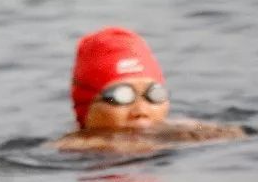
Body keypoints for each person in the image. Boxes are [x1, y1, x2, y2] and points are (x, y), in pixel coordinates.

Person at [55, 27, 246, 152]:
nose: (141, 111)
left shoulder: (183, 129)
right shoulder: (70, 147)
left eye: (153, 94)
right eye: (121, 96)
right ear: (85, 105)